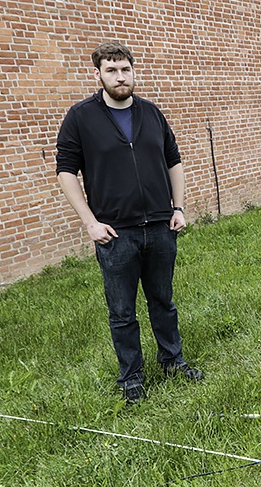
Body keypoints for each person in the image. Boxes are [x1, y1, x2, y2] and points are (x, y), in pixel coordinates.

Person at [55, 41, 203, 404]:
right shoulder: (81, 117)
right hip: (114, 233)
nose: (119, 77)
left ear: (133, 72)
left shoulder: (151, 113)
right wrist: (89, 221)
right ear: (98, 74)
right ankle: (131, 377)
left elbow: (174, 161)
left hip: (159, 226)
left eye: (125, 70)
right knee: (122, 311)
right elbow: (65, 171)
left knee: (163, 302)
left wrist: (178, 207)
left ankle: (173, 361)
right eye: (111, 70)